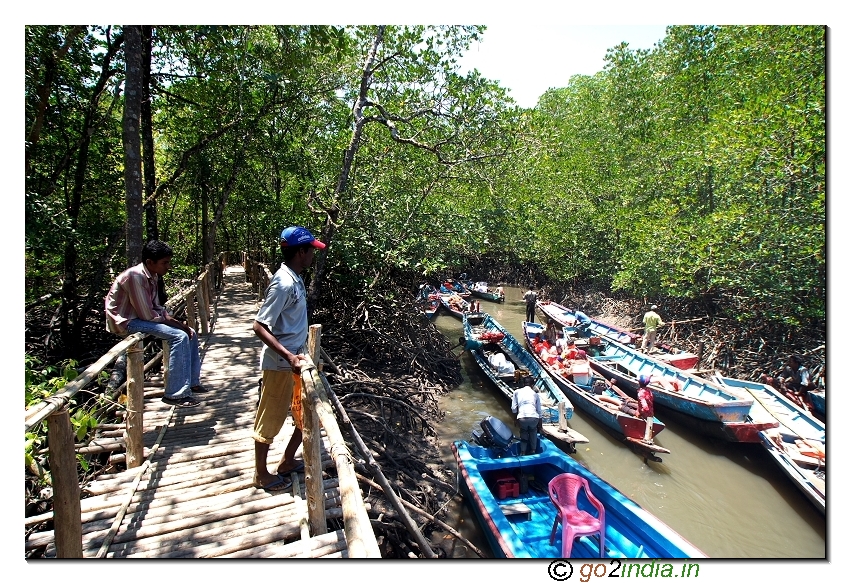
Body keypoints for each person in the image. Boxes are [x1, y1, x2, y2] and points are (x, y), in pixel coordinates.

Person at [251, 226, 326, 492]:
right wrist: (288, 355)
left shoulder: (295, 277)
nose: (313, 256)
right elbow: (260, 325)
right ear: (301, 252)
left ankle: (286, 461)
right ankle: (261, 474)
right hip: (280, 365)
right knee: (270, 418)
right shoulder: (283, 282)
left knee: (305, 415)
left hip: (297, 363)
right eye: (311, 251)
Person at [105, 240, 205, 408]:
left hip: (141, 318)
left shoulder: (152, 275)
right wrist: (176, 324)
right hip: (126, 322)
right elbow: (147, 314)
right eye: (165, 263)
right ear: (150, 262)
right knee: (179, 336)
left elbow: (156, 306)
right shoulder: (135, 276)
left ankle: (192, 382)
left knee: (191, 332)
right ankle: (175, 394)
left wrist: (177, 323)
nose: (168, 266)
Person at [511, 382, 542, 455]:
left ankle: (523, 451)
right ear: (532, 385)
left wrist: (515, 419)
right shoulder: (535, 394)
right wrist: (540, 426)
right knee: (533, 431)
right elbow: (539, 411)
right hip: (533, 418)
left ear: (523, 384)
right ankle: (533, 450)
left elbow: (513, 408)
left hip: (522, 418)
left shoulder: (516, 392)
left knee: (523, 432)